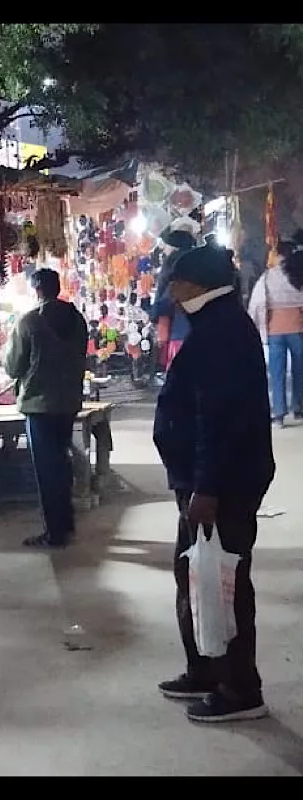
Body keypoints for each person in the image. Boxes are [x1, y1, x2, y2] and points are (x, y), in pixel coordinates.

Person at [153, 243, 274, 723]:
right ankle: (205, 668)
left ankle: (241, 688)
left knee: (223, 583)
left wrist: (206, 488)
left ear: (197, 285)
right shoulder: (217, 324)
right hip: (213, 480)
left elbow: (217, 420)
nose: (172, 293)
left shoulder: (220, 331)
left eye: (177, 283)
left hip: (222, 484)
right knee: (195, 575)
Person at [3, 268, 89, 549]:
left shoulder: (28, 322)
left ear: (37, 288)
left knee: (46, 469)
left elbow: (13, 366)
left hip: (39, 404)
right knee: (61, 462)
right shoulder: (77, 319)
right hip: (68, 401)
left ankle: (55, 532)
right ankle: (66, 523)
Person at [247, 239, 303, 427]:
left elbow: (257, 303)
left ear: (278, 255)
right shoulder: (299, 274)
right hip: (298, 329)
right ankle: (299, 408)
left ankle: (279, 413)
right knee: (299, 371)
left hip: (274, 331)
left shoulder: (268, 277)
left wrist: (255, 325)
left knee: (276, 372)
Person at [153, 230, 197, 372]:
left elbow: (164, 300)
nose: (164, 250)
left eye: (166, 246)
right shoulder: (201, 263)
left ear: (174, 247)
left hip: (180, 330)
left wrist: (155, 313)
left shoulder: (173, 264)